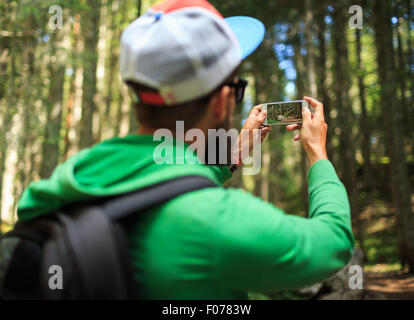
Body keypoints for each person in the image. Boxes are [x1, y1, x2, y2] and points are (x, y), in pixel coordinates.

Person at [17, 0, 354, 299]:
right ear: (222, 102)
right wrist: (317, 155)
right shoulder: (219, 222)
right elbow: (332, 244)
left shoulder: (74, 177)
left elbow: (155, 184)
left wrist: (234, 153)